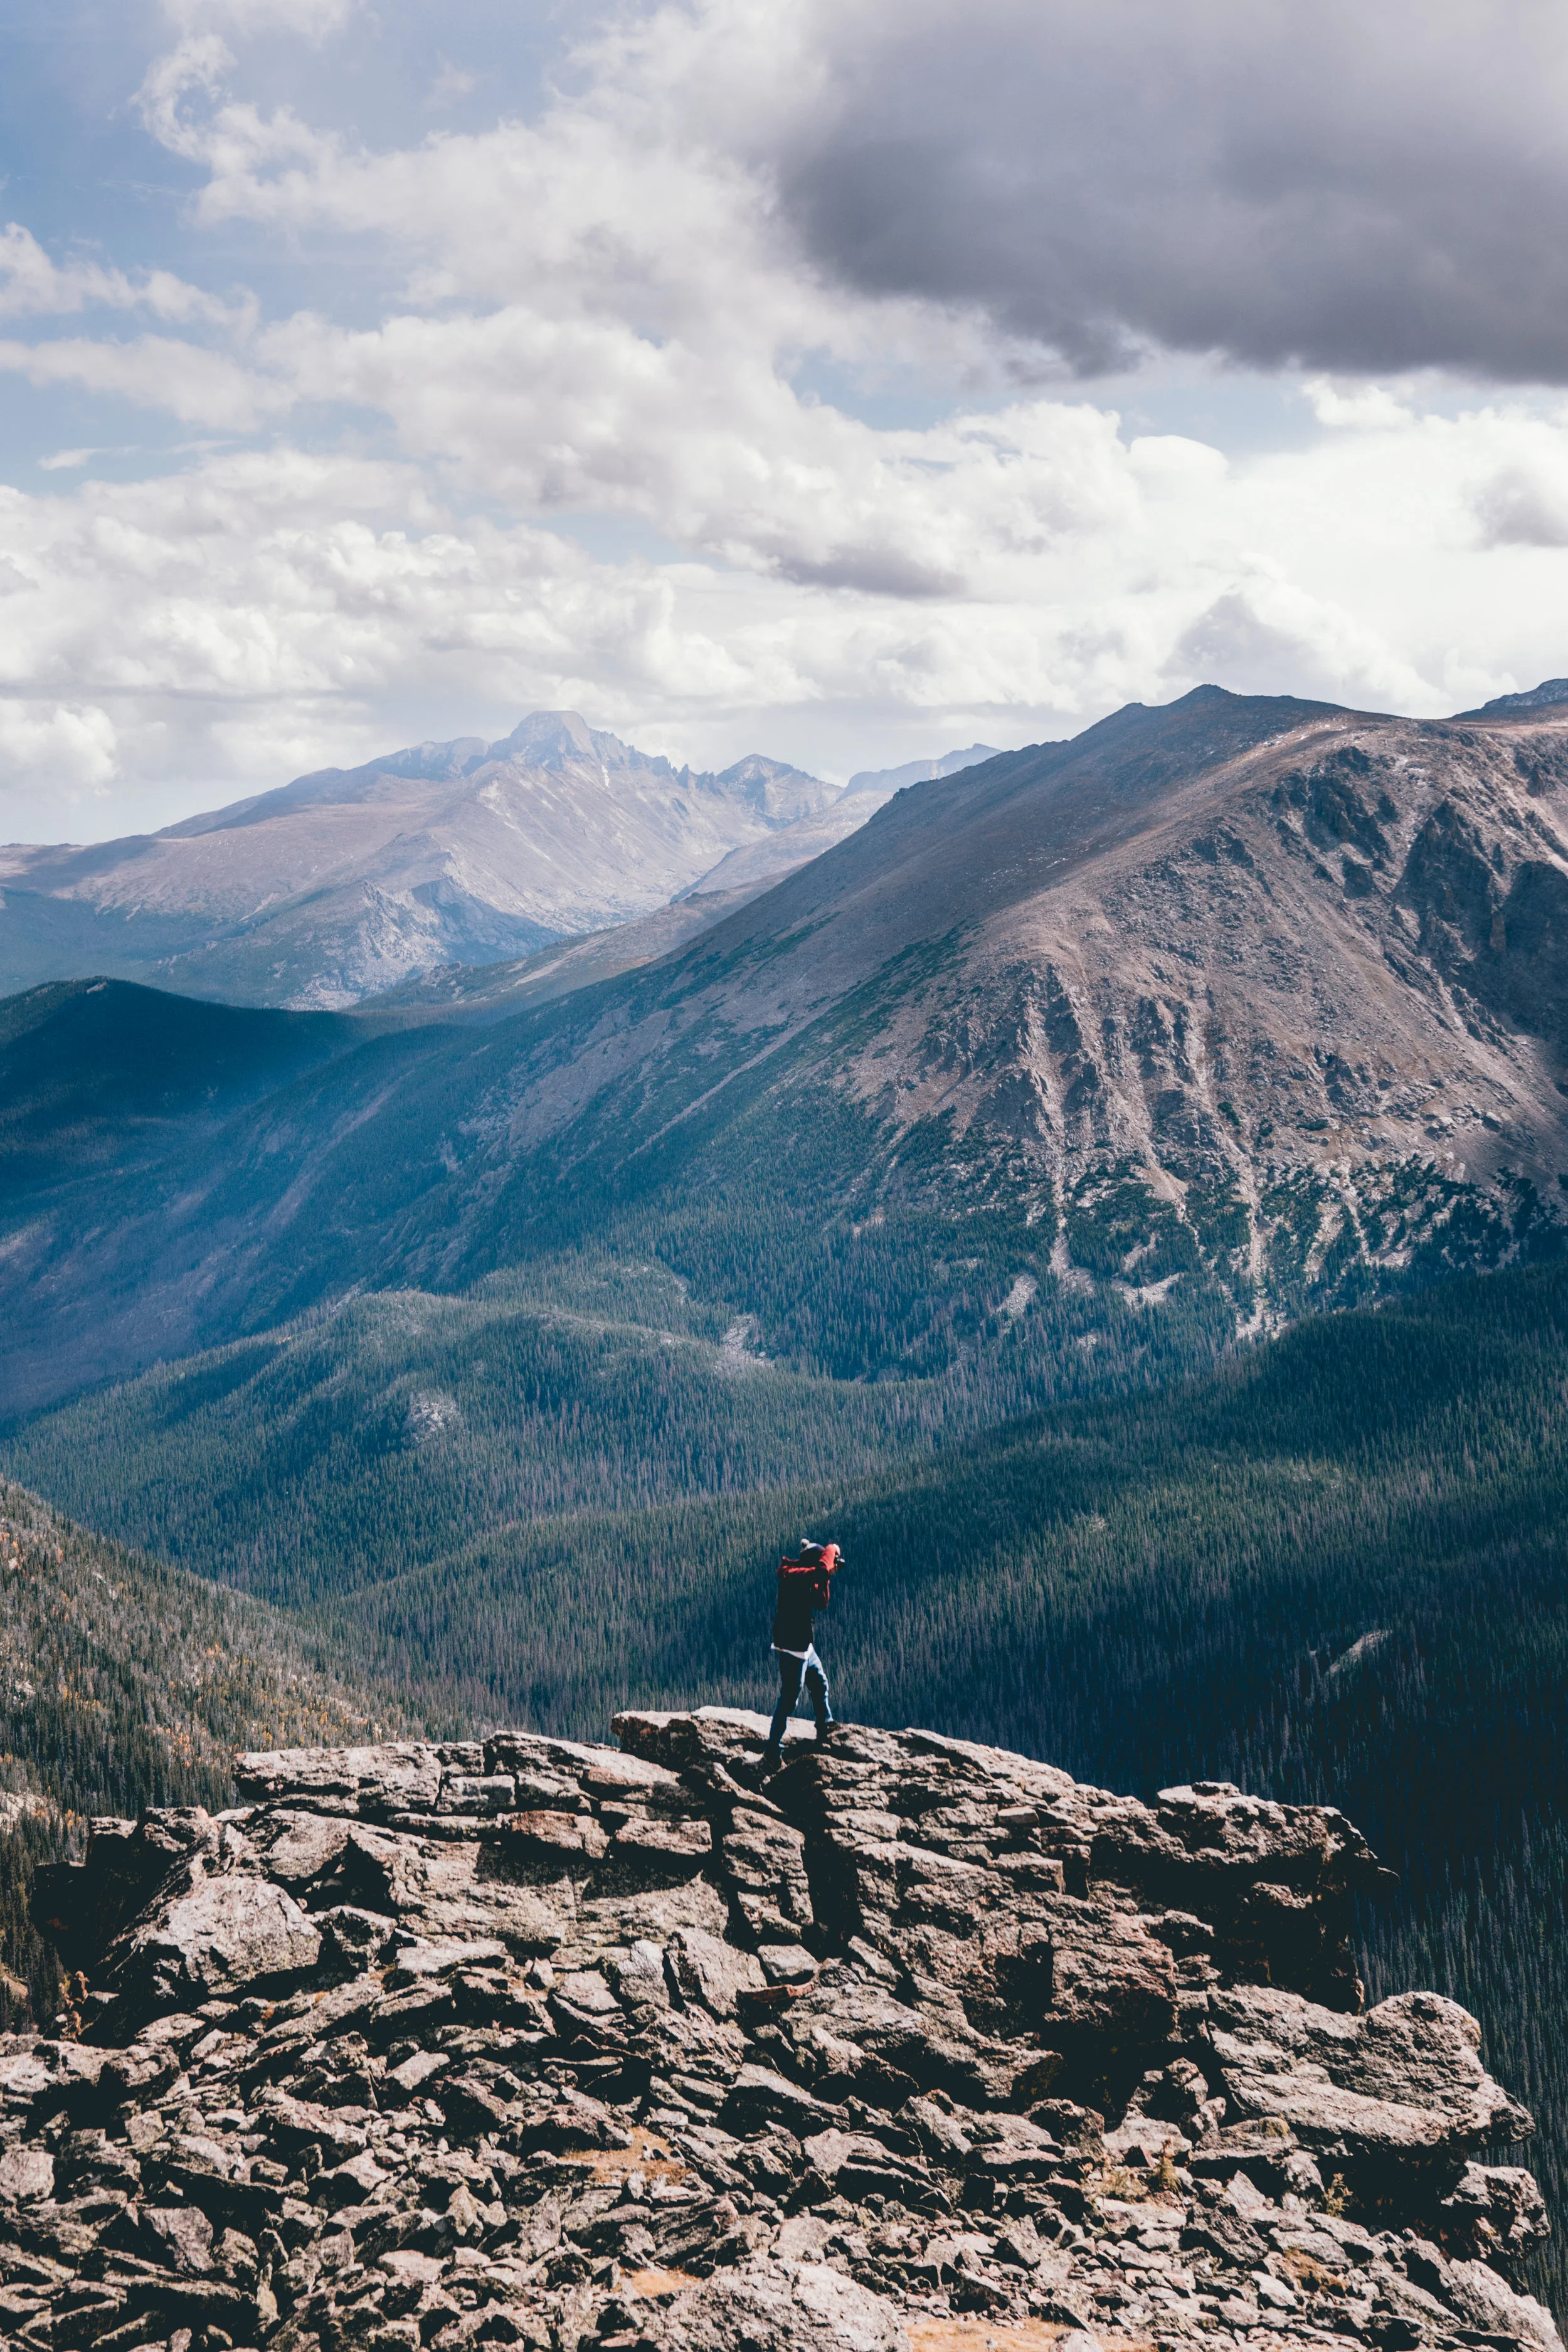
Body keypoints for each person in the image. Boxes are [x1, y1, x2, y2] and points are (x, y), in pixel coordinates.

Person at [758, 1539, 842, 1776]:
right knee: (789, 1700)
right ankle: (772, 1752)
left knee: (819, 1682)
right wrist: (832, 1549)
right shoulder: (794, 1576)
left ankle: (825, 1724)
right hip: (793, 1648)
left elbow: (821, 1603)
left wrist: (827, 1576)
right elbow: (821, 1569)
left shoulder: (807, 1577)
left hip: (804, 1645)